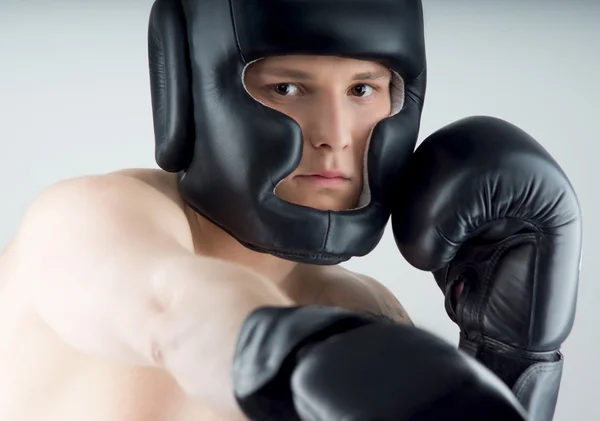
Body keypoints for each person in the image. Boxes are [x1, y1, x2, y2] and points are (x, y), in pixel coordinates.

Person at [0, 1, 581, 421]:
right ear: (189, 92)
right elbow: (169, 307)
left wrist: (511, 363)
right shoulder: (90, 215)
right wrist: (302, 355)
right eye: (287, 88)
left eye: (361, 90)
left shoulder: (363, 309)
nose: (334, 136)